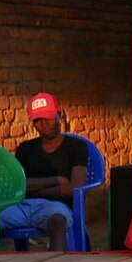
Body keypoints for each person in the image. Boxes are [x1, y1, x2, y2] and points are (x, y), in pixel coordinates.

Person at [5, 93, 89, 251]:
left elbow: (76, 186)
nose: (44, 124)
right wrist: (57, 180)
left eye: (48, 117)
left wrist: (37, 190)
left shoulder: (76, 146)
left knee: (58, 220)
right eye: (38, 120)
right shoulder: (25, 148)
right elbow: (18, 185)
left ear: (60, 115)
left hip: (56, 206)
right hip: (23, 206)